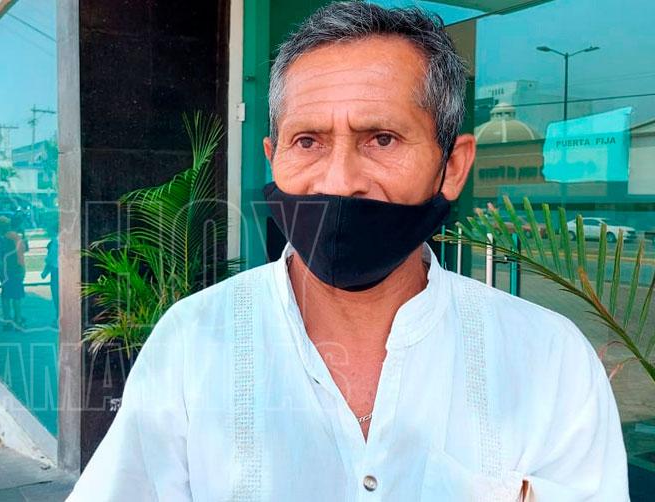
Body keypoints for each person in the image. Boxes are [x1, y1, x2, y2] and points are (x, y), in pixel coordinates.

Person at [69, 3, 628, 501]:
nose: (339, 181)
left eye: (382, 139)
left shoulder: (548, 362)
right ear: (273, 159)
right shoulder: (193, 341)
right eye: (307, 141)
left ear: (452, 167)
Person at [0, 216, 26, 330]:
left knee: (6, 295)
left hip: (3, 271)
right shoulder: (12, 237)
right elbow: (21, 253)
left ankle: (7, 320)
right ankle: (18, 320)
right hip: (13, 269)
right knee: (16, 296)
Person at [40, 224, 59, 327]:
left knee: (57, 296)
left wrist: (45, 272)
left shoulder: (54, 242)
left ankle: (58, 318)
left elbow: (51, 259)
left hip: (56, 271)